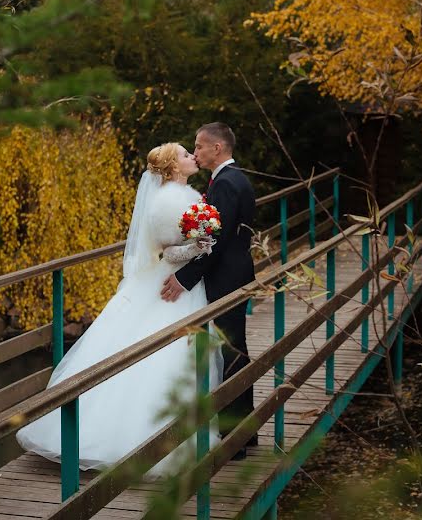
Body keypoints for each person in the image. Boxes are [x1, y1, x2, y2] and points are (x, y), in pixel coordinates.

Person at [16, 143, 222, 476]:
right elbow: (167, 254)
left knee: (179, 355)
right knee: (164, 355)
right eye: (185, 155)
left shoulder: (188, 195)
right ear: (173, 167)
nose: (191, 157)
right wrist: (196, 247)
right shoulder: (167, 200)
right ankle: (136, 439)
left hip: (183, 284)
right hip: (171, 285)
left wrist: (201, 243)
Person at [160, 122, 257, 460]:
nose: (196, 152)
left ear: (217, 148)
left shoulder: (227, 184)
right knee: (233, 349)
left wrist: (184, 278)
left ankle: (236, 438)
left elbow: (214, 241)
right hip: (233, 274)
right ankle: (243, 432)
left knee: (232, 351)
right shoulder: (230, 179)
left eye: (199, 146)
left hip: (228, 278)